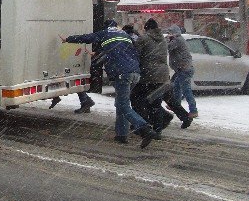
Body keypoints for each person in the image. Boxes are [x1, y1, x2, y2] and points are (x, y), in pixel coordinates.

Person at [60, 19, 159, 148]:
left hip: (122, 74)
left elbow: (87, 37)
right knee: (121, 104)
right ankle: (121, 135)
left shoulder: (105, 33)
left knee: (122, 105)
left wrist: (68, 39)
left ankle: (144, 128)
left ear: (106, 27)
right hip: (135, 73)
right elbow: (122, 51)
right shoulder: (125, 35)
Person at [131, 18, 175, 135]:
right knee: (155, 103)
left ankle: (142, 125)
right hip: (162, 75)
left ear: (147, 28)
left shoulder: (144, 39)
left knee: (136, 99)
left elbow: (136, 54)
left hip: (148, 75)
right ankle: (158, 129)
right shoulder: (163, 40)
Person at [168, 24, 198, 119]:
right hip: (182, 68)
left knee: (186, 90)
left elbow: (167, 47)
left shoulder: (177, 40)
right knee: (176, 87)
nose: (168, 34)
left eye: (170, 33)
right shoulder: (178, 40)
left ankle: (193, 110)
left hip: (184, 69)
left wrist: (165, 40)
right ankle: (175, 105)